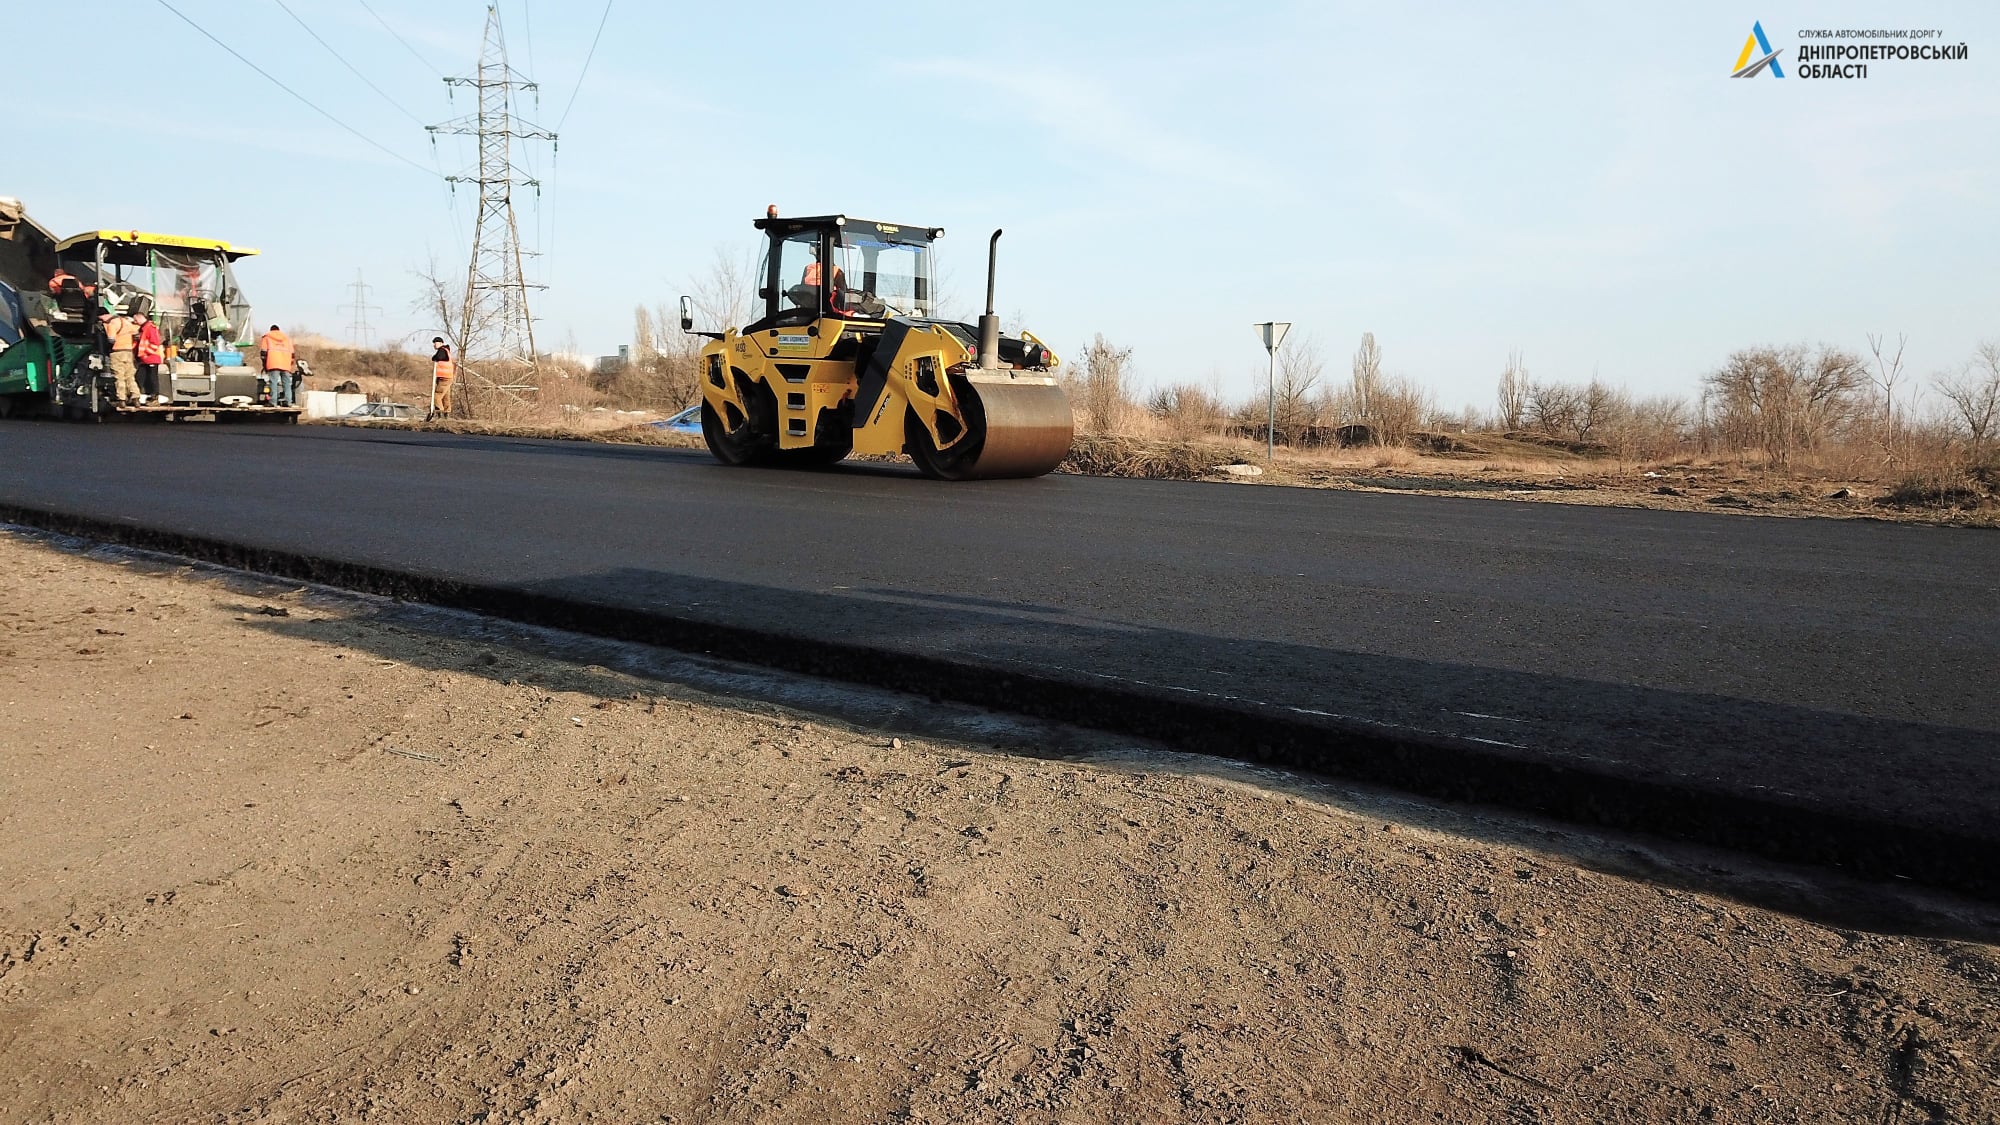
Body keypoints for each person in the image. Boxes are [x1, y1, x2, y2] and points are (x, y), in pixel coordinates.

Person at [100, 309, 141, 406]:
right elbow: (136, 335)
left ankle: (121, 399)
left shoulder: (112, 324)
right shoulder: (126, 321)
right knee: (130, 376)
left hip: (117, 352)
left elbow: (111, 340)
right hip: (129, 352)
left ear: (104, 315)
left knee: (119, 377)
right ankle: (135, 398)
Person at [258, 323, 295, 407]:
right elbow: (292, 354)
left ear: (271, 330)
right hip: (286, 364)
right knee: (287, 383)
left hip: (273, 363)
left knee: (273, 382)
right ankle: (288, 402)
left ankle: (273, 402)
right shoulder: (287, 339)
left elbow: (263, 353)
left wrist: (265, 365)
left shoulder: (267, 337)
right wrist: (290, 364)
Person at [134, 311, 166, 403]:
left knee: (152, 378)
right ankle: (139, 395)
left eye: (136, 320)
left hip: (151, 358)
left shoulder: (150, 328)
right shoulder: (144, 329)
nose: (135, 322)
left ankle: (154, 396)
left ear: (140, 318)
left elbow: (155, 343)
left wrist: (146, 353)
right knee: (139, 377)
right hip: (144, 359)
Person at [429, 336, 454, 419]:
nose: (434, 345)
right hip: (446, 377)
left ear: (440, 343)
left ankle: (440, 413)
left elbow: (437, 357)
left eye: (435, 343)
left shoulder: (442, 350)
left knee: (436, 396)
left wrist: (435, 357)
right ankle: (447, 413)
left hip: (444, 378)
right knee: (446, 397)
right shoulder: (445, 350)